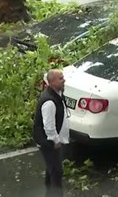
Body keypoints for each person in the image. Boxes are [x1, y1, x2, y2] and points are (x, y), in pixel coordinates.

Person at [33, 69, 69, 197]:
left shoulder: (56, 93)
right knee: (56, 172)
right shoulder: (49, 102)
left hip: (50, 140)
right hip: (48, 142)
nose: (64, 80)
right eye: (61, 78)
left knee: (51, 169)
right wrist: (55, 140)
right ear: (52, 82)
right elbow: (48, 126)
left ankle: (49, 193)